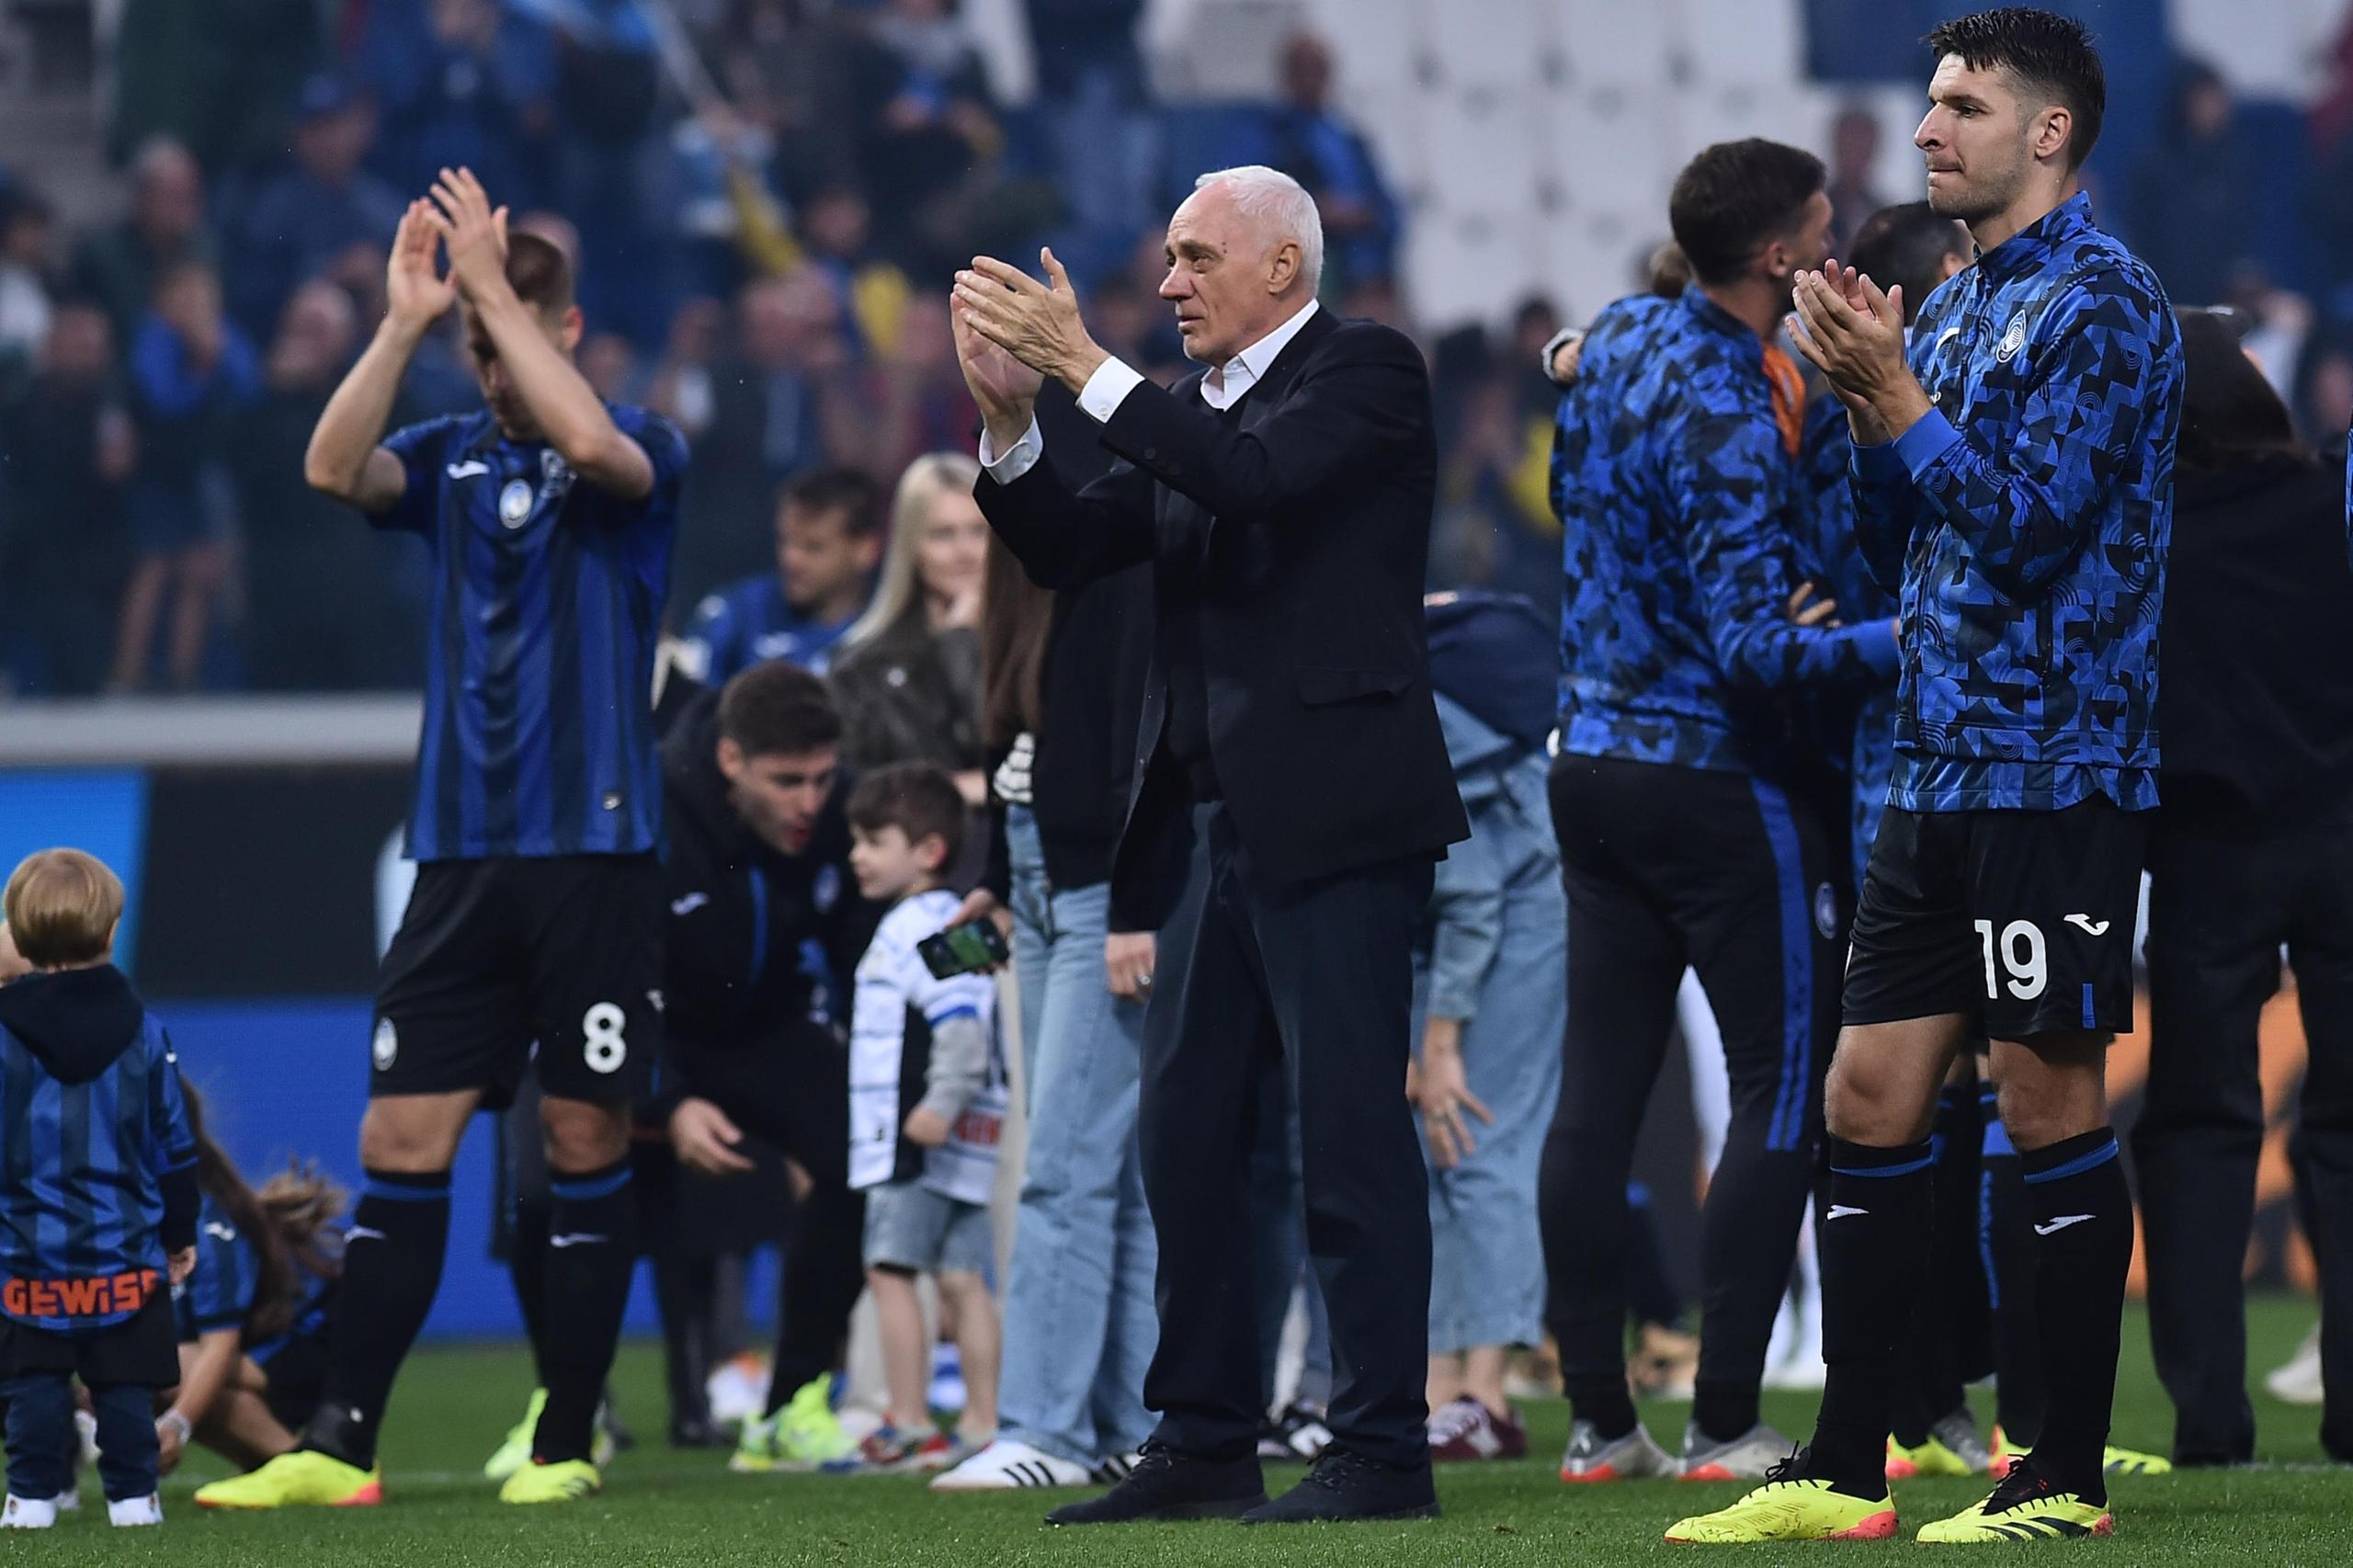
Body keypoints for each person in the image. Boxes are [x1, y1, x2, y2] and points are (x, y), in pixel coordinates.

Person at [1678, 9, 2183, 1543]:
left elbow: (2032, 528)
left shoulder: (2104, 303)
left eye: (1961, 104)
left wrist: (1894, 402)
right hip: (1937, 762)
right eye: (1928, 101)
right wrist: (1859, 392)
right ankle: (1841, 1468)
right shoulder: (1955, 307)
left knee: (2045, 1101)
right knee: (1868, 1093)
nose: (1924, 130)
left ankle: (2065, 1473)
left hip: (2057, 767)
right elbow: (1922, 538)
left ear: (2049, 131)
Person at [953, 162, 1469, 1524]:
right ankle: (1202, 1435)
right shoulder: (1189, 412)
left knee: (1348, 1133)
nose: (1169, 282)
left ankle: (1379, 1446)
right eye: (1169, 261)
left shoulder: (1367, 373)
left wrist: (1083, 367)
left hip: (1340, 818)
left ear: (1282, 269)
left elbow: (1253, 485)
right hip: (1203, 826)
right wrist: (1013, 425)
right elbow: (1069, 545)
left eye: (1193, 257)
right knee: (1183, 1138)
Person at [196, 171, 688, 1511]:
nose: (489, 366)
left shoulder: (640, 446)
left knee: (586, 1138)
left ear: (564, 327)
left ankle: (565, 1439)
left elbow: (592, 451)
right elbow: (328, 467)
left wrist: (492, 290)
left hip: (596, 860)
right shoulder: (453, 459)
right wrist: (411, 316)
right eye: (478, 346)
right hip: (461, 859)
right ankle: (339, 1450)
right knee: (401, 1135)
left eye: (505, 335)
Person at [1542, 136, 1897, 1486]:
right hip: (1711, 778)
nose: (1840, 243)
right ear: (1780, 257)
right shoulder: (1740, 412)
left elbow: (1571, 395)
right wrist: (1901, 636)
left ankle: (1594, 1422)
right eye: (1825, 226)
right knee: (1781, 1086)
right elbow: (1757, 648)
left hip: (1589, 763)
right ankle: (1725, 1419)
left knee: (1597, 1095)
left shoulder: (1624, 339)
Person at [2134, 308, 2353, 1468]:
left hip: (2210, 849)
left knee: (2197, 1132)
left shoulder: (2149, 532)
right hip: (2343, 834)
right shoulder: (2332, 502)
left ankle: (2208, 1412)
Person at [933, 506, 1160, 1493]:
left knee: (1065, 1165)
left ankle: (1044, 1429)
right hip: (1038, 878)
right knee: (1095, 1161)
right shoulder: (1026, 561)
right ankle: (1125, 1421)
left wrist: (1135, 903)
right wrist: (992, 869)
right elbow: (1013, 738)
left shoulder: (1108, 552)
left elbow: (1138, 748)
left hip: (1103, 890)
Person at [0, 849, 199, 1530]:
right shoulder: (145, 1033)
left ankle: (29, 1500)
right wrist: (178, 1236)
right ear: (112, 932)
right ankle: (133, 1500)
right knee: (124, 1387)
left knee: (32, 1387)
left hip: (25, 1257)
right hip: (125, 1256)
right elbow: (173, 1145)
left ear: (18, 939)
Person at [1412, 590, 1564, 1466]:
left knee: (1480, 1135)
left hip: (1521, 904)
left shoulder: (1381, 690)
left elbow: (1466, 890)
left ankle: (1488, 1397)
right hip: (1452, 917)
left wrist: (1438, 1042)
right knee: (1434, 1148)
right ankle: (1439, 1392)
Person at [843, 763, 1007, 1471]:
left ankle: (907, 1421)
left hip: (915, 1137)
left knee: (890, 1269)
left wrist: (938, 1105)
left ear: (930, 851)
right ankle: (983, 1420)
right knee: (963, 1278)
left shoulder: (916, 926)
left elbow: (963, 1030)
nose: (857, 854)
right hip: (971, 1134)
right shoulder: (958, 924)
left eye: (874, 839)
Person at [163, 1086, 347, 1478]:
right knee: (149, 1365)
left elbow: (220, 1347)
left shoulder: (204, 1222)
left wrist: (176, 1426)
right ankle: (267, 1464)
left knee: (160, 1365)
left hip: (311, 1351)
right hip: (264, 1354)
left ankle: (304, 1462)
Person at [115, 259, 258, 691]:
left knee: (200, 572)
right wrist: (201, 367)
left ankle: (184, 675)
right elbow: (165, 400)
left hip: (204, 472)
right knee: (155, 568)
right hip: (160, 472)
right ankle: (128, 673)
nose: (194, 306)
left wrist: (212, 353)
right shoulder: (153, 339)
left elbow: (250, 384)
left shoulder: (221, 337)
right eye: (184, 296)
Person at [826, 452, 990, 804]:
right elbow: (856, 794)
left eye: (979, 531)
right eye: (943, 535)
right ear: (911, 546)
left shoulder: (1032, 647)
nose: (966, 552)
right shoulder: (859, 666)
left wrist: (961, 643)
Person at [681, 466, 885, 683]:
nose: (791, 559)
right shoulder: (737, 612)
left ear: (866, 550)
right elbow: (687, 704)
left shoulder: (884, 640)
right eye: (785, 540)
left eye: (813, 547)